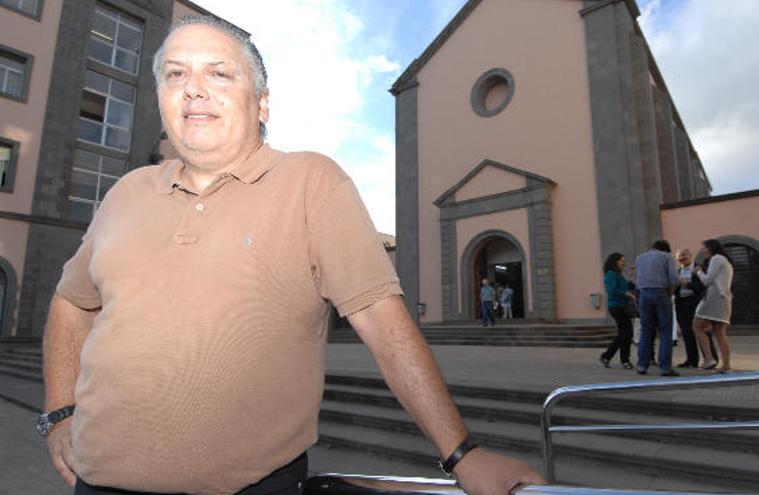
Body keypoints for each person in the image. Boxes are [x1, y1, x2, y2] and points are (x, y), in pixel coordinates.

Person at [40, 16, 543, 495]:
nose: (193, 88)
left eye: (218, 73)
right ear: (160, 98)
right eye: (176, 74)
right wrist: (58, 411)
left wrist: (461, 453)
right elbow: (71, 302)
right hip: (97, 483)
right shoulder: (125, 193)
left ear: (261, 104)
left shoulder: (311, 182)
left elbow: (381, 324)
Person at [634, 240, 680, 377]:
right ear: (666, 250)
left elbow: (638, 280)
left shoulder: (640, 258)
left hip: (643, 294)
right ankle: (665, 368)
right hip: (661, 293)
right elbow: (674, 279)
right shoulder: (667, 257)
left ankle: (642, 365)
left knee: (646, 331)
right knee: (665, 331)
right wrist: (670, 293)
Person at [693, 239, 735, 373]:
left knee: (697, 325)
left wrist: (699, 271)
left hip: (715, 297)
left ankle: (709, 359)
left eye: (704, 248)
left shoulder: (716, 258)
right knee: (719, 333)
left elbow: (707, 280)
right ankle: (726, 365)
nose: (703, 250)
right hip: (724, 298)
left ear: (711, 248)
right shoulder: (725, 260)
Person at [599, 253, 636, 369]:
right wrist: (626, 294)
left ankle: (606, 356)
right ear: (615, 261)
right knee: (627, 333)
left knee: (624, 333)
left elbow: (628, 287)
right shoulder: (611, 274)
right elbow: (612, 290)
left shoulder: (619, 275)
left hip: (621, 306)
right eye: (622, 260)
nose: (624, 263)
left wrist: (632, 276)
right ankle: (624, 360)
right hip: (617, 307)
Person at [674, 248, 709, 368]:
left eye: (683, 255)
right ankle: (692, 360)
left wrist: (686, 284)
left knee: (702, 332)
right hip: (681, 305)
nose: (681, 258)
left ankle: (710, 358)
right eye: (679, 256)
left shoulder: (698, 269)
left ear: (690, 255)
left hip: (696, 303)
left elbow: (702, 286)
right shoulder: (678, 271)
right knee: (687, 333)